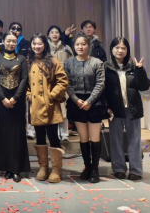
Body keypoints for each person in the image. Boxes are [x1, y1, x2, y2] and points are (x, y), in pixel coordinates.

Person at [104, 37, 150, 181]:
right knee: (116, 140)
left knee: (134, 140)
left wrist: (140, 70)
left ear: (127, 50)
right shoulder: (105, 67)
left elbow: (144, 86)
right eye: (117, 47)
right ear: (112, 49)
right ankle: (119, 169)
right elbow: (102, 90)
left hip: (132, 108)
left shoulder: (134, 66)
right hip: (115, 110)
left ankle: (136, 170)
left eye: (123, 48)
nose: (120, 50)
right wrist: (106, 107)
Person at [64, 33, 108, 183]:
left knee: (94, 137)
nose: (80, 47)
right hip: (76, 102)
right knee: (83, 137)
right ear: (74, 46)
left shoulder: (97, 62)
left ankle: (95, 169)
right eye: (77, 44)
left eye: (83, 44)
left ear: (88, 46)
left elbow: (100, 84)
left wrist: (89, 101)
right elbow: (67, 83)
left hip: (94, 103)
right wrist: (76, 100)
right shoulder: (68, 63)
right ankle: (87, 167)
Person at [27, 34, 69, 183]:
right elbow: (25, 83)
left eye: (40, 43)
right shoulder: (28, 62)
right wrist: (28, 95)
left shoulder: (53, 61)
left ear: (45, 45)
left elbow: (63, 81)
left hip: (51, 106)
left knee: (53, 136)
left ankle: (56, 169)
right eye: (34, 43)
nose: (37, 46)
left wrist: (51, 96)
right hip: (35, 106)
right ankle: (43, 167)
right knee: (39, 137)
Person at [0, 32, 30, 182]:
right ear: (3, 41)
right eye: (8, 41)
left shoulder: (22, 59)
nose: (11, 43)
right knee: (4, 132)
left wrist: (15, 98)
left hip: (18, 100)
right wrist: (2, 98)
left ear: (16, 43)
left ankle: (17, 168)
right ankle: (6, 167)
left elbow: (24, 79)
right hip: (2, 101)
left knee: (18, 133)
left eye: (14, 41)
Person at [47, 25, 74, 141]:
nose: (54, 34)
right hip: (49, 82)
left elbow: (72, 63)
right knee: (52, 108)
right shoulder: (45, 48)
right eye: (52, 32)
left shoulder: (66, 48)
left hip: (63, 81)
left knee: (63, 108)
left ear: (60, 34)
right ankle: (55, 134)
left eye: (57, 32)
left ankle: (64, 134)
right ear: (48, 35)